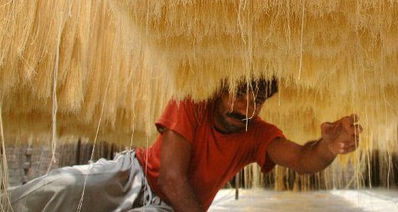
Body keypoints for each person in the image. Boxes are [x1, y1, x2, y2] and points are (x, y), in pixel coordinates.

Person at [9, 76, 362, 211]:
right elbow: (172, 179)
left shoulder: (255, 133)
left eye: (258, 102)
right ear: (220, 87)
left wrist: (328, 147)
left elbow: (302, 158)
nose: (248, 108)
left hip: (174, 210)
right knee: (56, 190)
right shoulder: (192, 101)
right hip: (131, 175)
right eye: (241, 95)